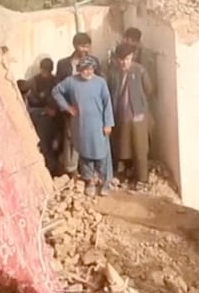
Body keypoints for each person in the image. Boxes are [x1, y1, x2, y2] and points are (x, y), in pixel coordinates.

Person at [52, 57, 114, 196]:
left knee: (102, 154)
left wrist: (108, 123)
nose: (88, 72)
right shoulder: (71, 82)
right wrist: (67, 107)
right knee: (85, 154)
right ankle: (90, 181)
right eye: (85, 69)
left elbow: (107, 104)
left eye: (91, 69)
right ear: (79, 69)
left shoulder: (100, 82)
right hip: (81, 125)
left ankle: (105, 182)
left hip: (99, 126)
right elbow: (56, 92)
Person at [107, 44, 155, 187]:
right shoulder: (113, 72)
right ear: (117, 59)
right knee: (122, 146)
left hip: (138, 116)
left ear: (132, 57)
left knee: (140, 148)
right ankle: (123, 174)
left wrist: (140, 105)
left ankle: (142, 179)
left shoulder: (140, 71)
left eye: (127, 59)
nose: (124, 62)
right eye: (121, 59)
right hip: (120, 115)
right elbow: (111, 91)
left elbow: (149, 90)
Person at [25, 58, 62, 174]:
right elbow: (31, 101)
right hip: (40, 117)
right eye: (44, 71)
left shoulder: (56, 81)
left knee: (55, 145)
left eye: (47, 72)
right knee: (43, 145)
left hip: (55, 119)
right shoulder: (33, 82)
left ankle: (53, 169)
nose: (45, 74)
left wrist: (53, 108)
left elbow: (58, 98)